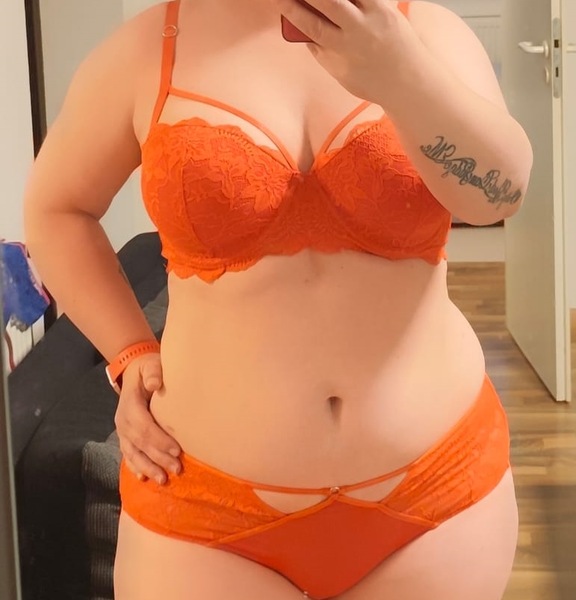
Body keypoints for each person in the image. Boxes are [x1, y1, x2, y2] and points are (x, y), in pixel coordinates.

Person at [23, 0, 533, 598]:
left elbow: (498, 197)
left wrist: (400, 72)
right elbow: (58, 210)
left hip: (435, 490)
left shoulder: (426, 31)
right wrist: (130, 350)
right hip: (205, 509)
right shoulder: (147, 49)